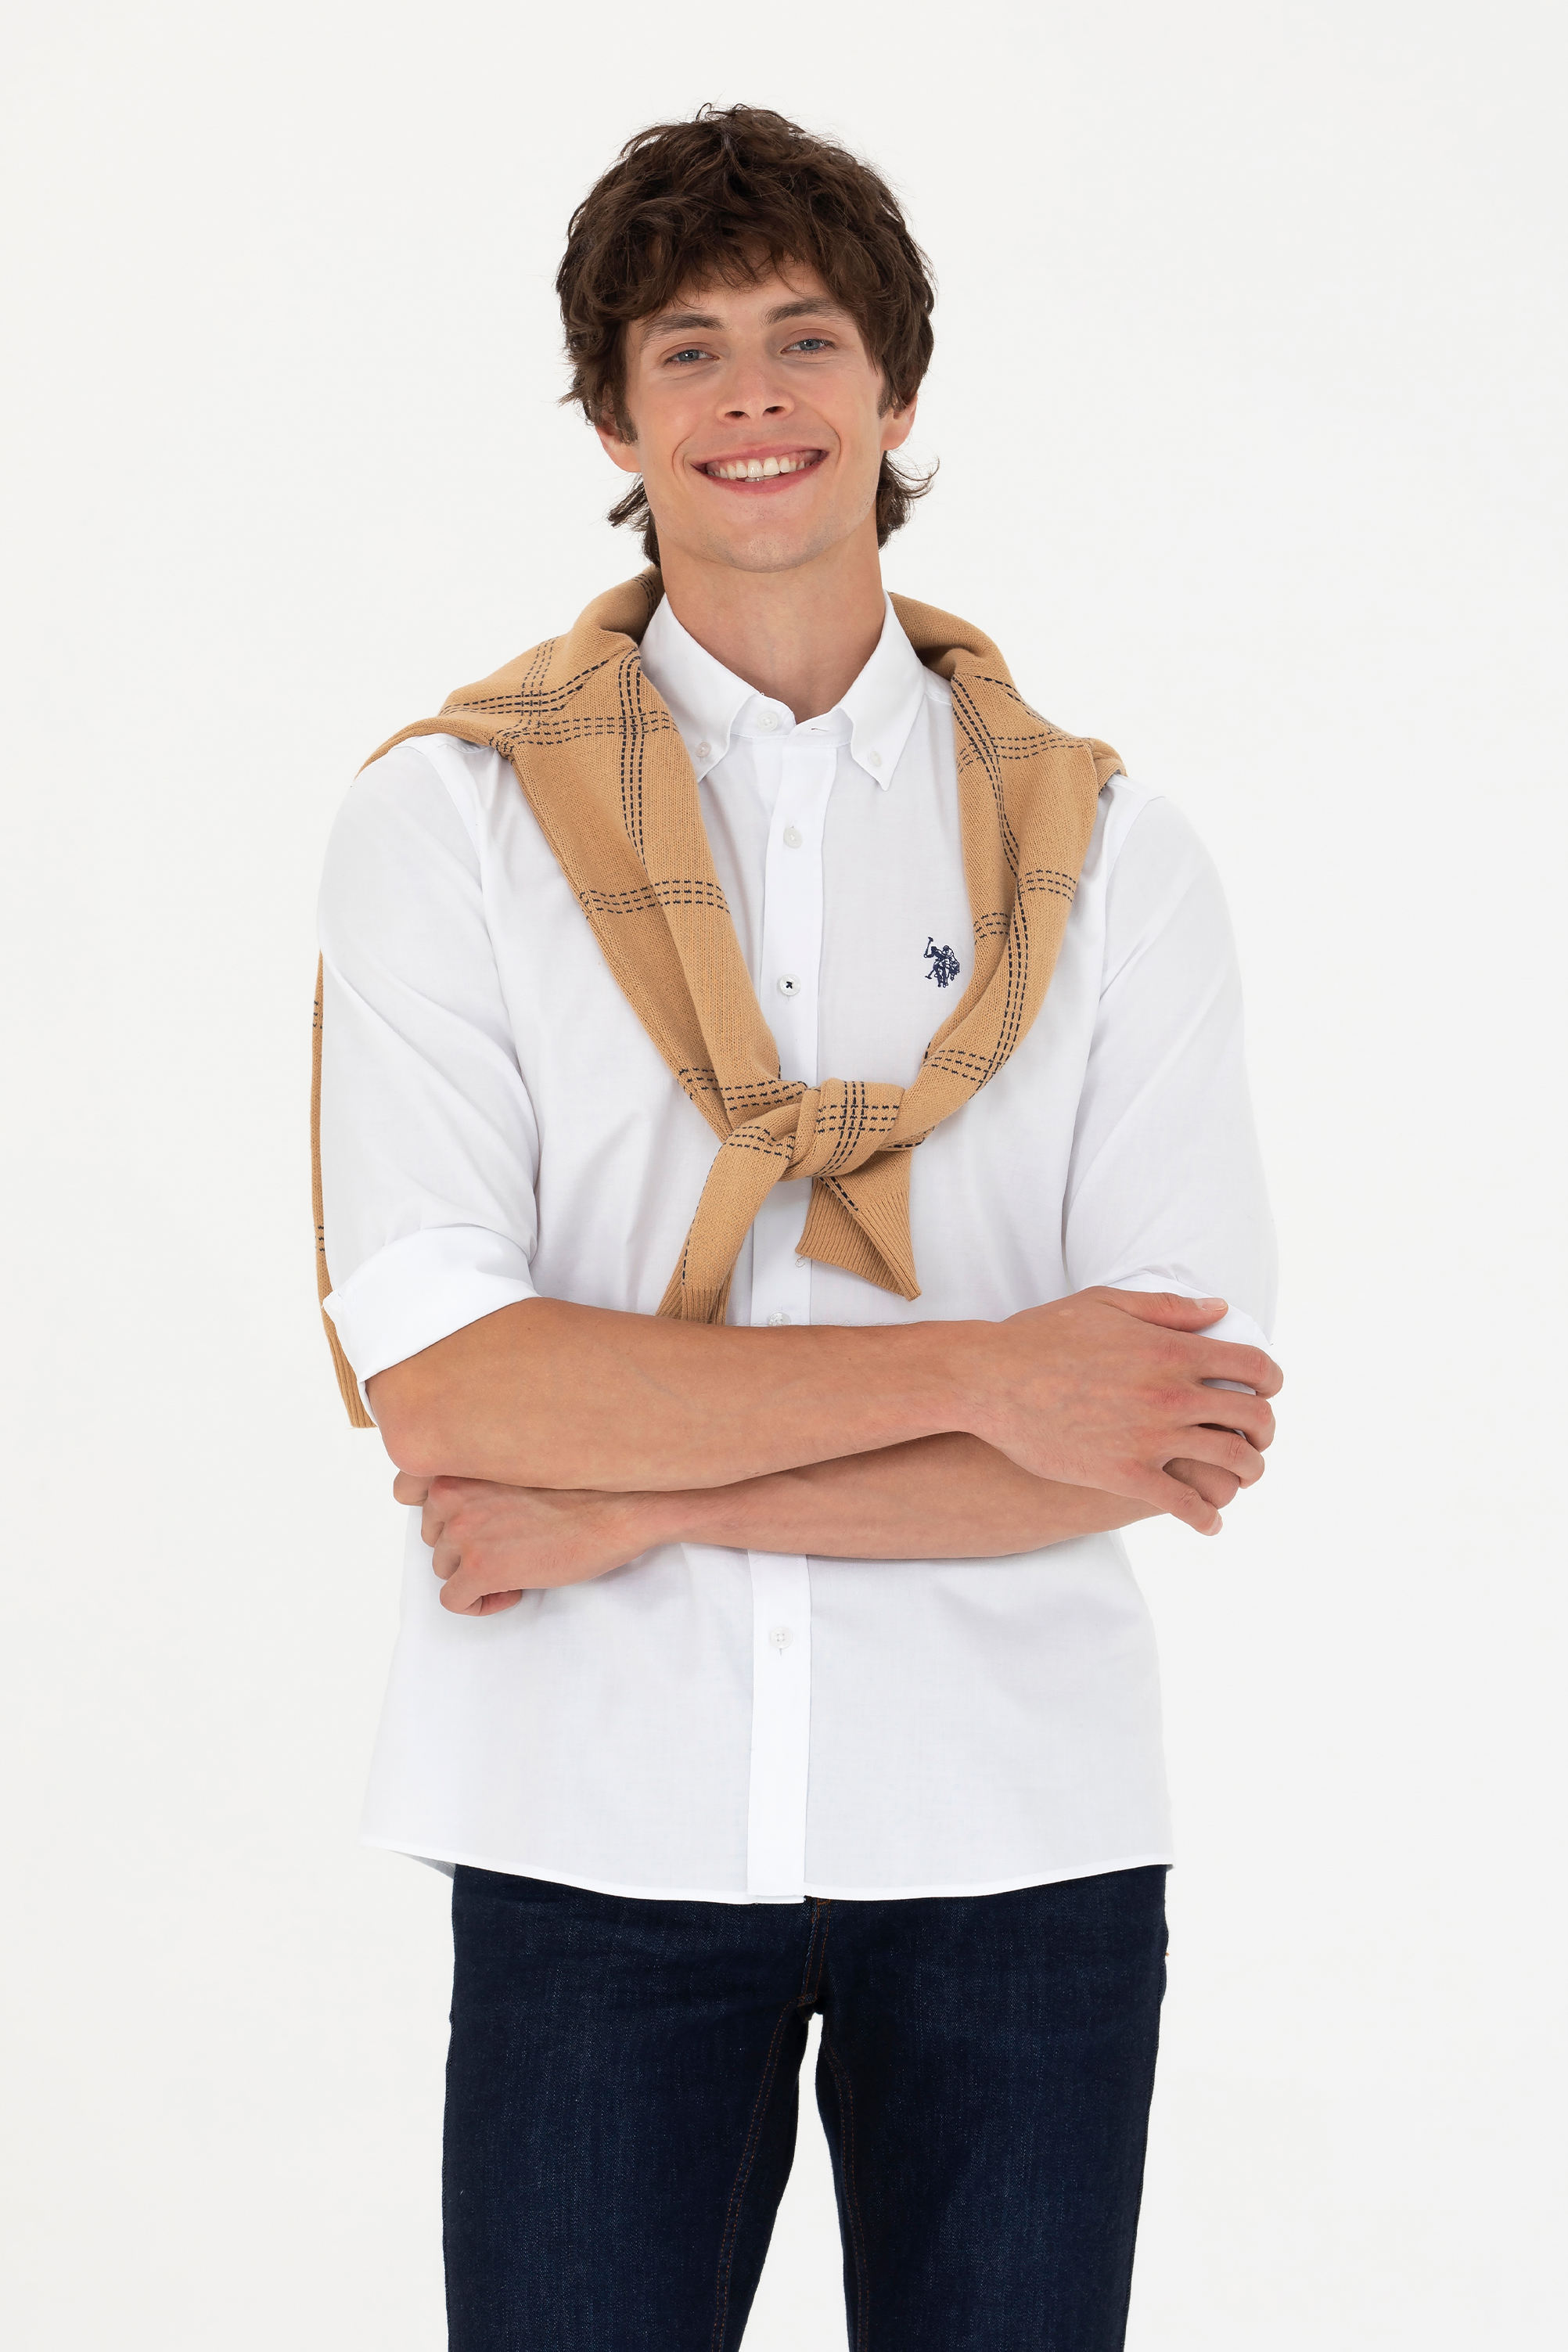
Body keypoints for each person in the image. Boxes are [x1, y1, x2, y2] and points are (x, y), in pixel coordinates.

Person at [314, 102, 1279, 2352]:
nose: (752, 395)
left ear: (896, 390)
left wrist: (635, 1500)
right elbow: (451, 1386)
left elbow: (1154, 1425)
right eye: (687, 349)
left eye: (806, 336)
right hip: (587, 1829)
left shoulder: (1107, 853)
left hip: (1018, 1834)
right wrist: (988, 1375)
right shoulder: (451, 823)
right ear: (612, 417)